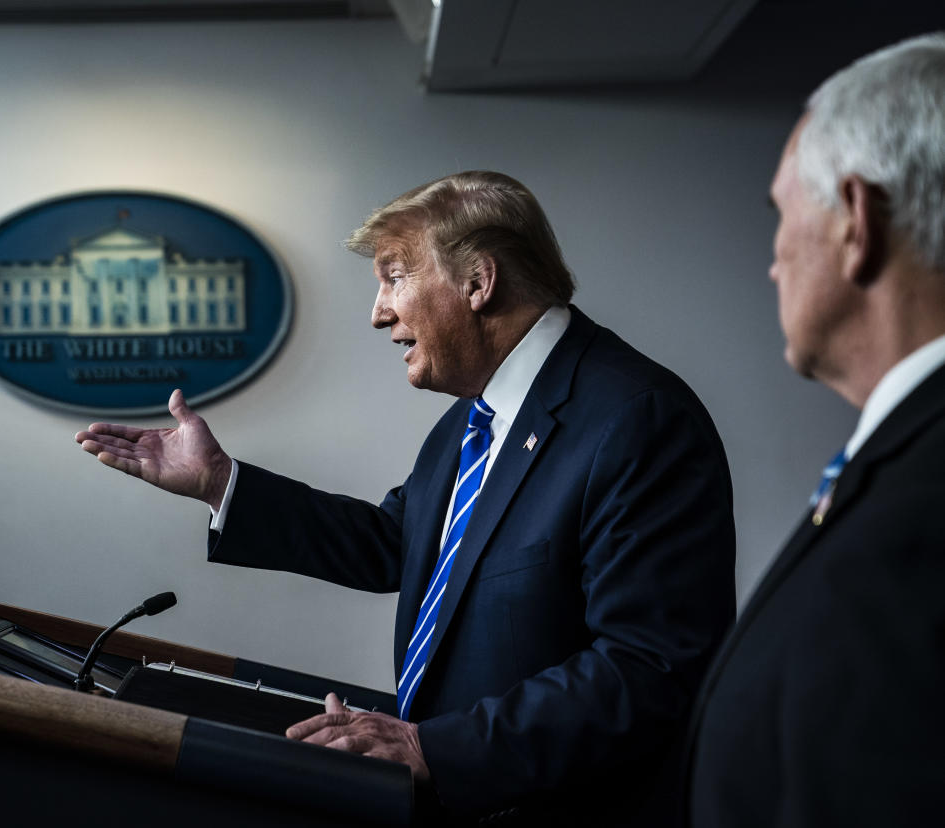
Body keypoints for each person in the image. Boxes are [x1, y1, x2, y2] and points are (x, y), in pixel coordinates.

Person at [78, 171, 736, 824]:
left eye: (395, 276)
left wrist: (433, 747)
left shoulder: (637, 418)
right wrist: (220, 482)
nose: (378, 312)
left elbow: (648, 670)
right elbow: (393, 542)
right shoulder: (470, 422)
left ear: (479, 282)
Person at [686, 33, 945, 827]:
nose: (772, 261)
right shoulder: (902, 457)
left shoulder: (922, 512)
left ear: (856, 222)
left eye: (782, 214)